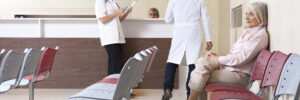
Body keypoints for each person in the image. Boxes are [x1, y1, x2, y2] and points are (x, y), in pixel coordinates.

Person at [188, 1, 269, 100]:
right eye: (246, 14)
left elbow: (241, 58)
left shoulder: (260, 35)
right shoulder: (248, 31)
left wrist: (218, 59)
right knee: (202, 62)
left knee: (201, 75)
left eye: (251, 14)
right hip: (231, 68)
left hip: (241, 75)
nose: (247, 17)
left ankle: (191, 98)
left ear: (260, 16)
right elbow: (235, 54)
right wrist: (217, 58)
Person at [162, 0, 213, 99]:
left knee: (172, 61)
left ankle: (167, 89)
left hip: (179, 32)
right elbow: (206, 19)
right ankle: (189, 95)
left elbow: (168, 19)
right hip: (194, 32)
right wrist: (209, 39)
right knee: (193, 65)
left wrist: (179, 18)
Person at [95, 0, 133, 75]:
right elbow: (103, 19)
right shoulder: (100, 2)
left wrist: (127, 12)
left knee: (114, 64)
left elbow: (119, 20)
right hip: (110, 37)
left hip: (118, 37)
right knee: (117, 64)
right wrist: (117, 13)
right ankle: (115, 85)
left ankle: (111, 85)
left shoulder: (113, 2)